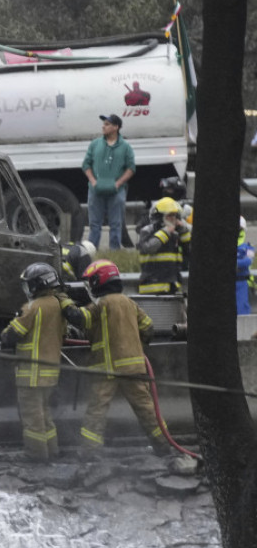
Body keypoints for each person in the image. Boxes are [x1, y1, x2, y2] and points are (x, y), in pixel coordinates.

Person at [64, 259, 171, 458]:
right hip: (134, 368)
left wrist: (64, 301)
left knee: (96, 411)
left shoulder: (102, 304)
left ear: (99, 281)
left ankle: (89, 452)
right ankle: (164, 446)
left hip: (106, 369)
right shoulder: (129, 303)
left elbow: (80, 319)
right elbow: (148, 328)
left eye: (91, 282)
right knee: (147, 409)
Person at [0, 262, 77, 461]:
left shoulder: (33, 307)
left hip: (31, 375)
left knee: (32, 419)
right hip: (50, 375)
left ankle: (36, 456)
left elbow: (14, 333)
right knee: (45, 415)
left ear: (37, 285)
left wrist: (3, 336)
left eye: (28, 285)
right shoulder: (58, 305)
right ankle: (52, 451)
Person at [82, 114, 135, 250]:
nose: (103, 126)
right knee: (94, 224)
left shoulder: (125, 147)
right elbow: (86, 165)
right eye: (103, 124)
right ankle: (92, 252)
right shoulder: (95, 144)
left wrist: (118, 183)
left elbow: (131, 168)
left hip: (116, 191)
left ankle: (114, 254)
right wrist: (93, 181)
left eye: (107, 124)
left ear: (116, 127)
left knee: (116, 224)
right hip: (95, 191)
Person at [136, 197, 191, 294]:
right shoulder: (147, 230)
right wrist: (165, 232)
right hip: (151, 286)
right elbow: (149, 248)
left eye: (175, 215)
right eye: (169, 215)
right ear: (160, 216)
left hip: (172, 285)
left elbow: (190, 251)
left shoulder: (176, 233)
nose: (173, 218)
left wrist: (184, 231)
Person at [237, 216, 255, 315]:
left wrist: (236, 263)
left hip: (243, 283)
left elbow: (248, 261)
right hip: (227, 284)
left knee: (242, 310)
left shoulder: (249, 247)